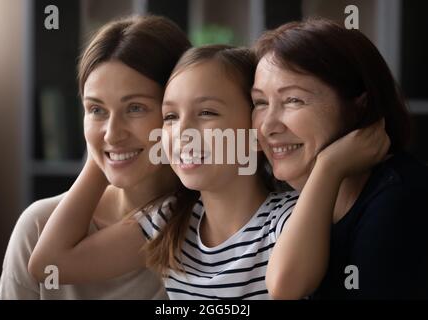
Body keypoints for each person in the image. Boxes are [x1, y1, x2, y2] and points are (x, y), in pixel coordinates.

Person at [28, 43, 388, 300]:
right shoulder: (170, 221)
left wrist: (329, 167)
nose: (182, 132)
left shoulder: (290, 216)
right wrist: (105, 152)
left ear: (253, 129)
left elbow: (287, 286)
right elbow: (49, 266)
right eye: (170, 117)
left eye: (207, 113)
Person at [0, 14, 190, 299]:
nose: (112, 133)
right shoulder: (38, 227)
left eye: (135, 108)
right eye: (96, 110)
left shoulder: (208, 230)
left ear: (175, 112)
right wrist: (98, 160)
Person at [252, 18, 428, 299]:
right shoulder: (287, 195)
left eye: (294, 100)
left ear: (359, 106)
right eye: (260, 102)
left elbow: (283, 289)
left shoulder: (400, 201)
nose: (267, 125)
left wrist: (328, 165)